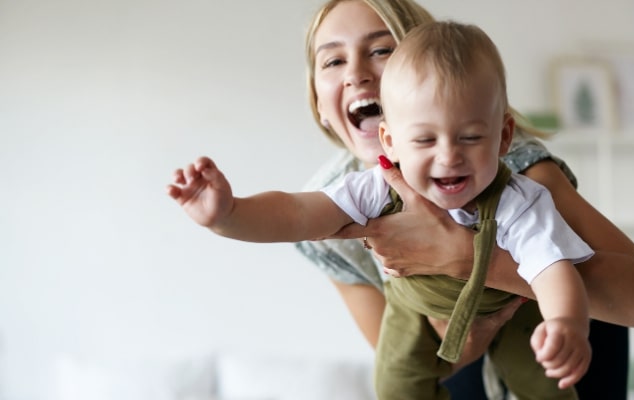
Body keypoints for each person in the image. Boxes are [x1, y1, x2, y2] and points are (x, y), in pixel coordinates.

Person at [169, 21, 595, 399]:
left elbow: (551, 271)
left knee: (547, 382)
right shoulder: (376, 185)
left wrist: (566, 323)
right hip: (415, 307)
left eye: (469, 138)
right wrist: (228, 215)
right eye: (425, 141)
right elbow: (298, 213)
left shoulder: (519, 198)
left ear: (503, 138)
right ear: (390, 142)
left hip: (513, 302)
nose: (448, 157)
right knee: (394, 385)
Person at [294, 0, 634, 399]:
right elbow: (414, 369)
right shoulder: (325, 216)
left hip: (570, 353)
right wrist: (228, 213)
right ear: (319, 102)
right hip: (464, 363)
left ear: (428, 66)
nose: (355, 73)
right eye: (332, 61)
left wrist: (464, 257)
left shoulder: (509, 169)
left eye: (381, 50)